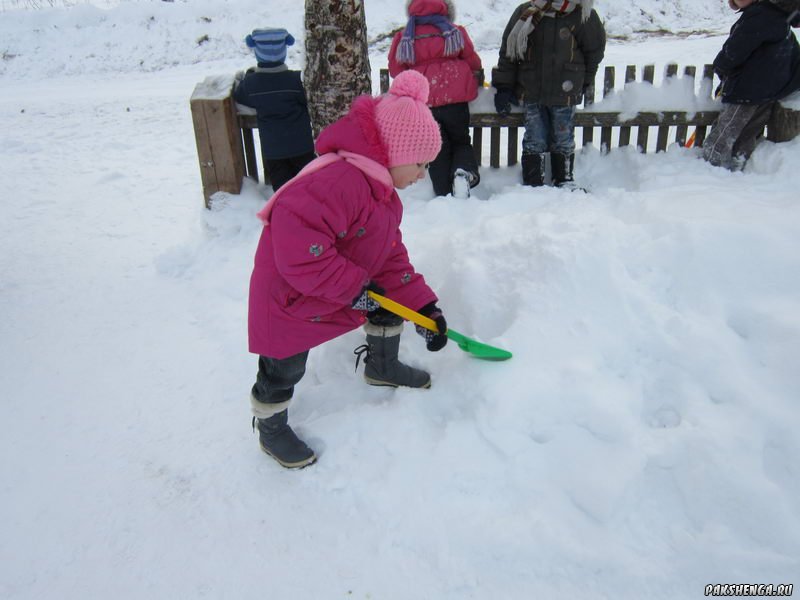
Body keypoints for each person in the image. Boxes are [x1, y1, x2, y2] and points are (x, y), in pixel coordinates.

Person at [247, 70, 449, 469]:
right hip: (289, 296)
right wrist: (358, 289)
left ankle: (382, 366)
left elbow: (389, 258)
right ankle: (270, 427)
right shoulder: (338, 181)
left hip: (336, 286)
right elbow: (300, 251)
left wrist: (425, 308)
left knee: (386, 299)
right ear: (395, 153)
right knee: (284, 365)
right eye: (421, 164)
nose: (423, 175)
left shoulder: (381, 193)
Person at [492, 0, 605, 189]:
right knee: (534, 138)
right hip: (531, 89)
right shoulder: (526, 12)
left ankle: (564, 179)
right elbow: (509, 52)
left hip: (565, 91)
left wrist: (583, 81)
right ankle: (533, 182)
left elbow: (594, 52)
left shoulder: (582, 14)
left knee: (563, 137)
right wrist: (504, 87)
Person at [388, 0, 482, 199]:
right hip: (456, 97)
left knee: (437, 146)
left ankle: (443, 193)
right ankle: (462, 173)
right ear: (446, 9)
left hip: (424, 100)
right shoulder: (455, 31)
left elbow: (396, 70)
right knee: (461, 140)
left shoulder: (405, 36)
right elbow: (473, 61)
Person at [703, 0, 800, 171]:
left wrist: (721, 66)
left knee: (726, 131)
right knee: (748, 131)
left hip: (748, 90)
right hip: (768, 91)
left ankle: (710, 166)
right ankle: (738, 163)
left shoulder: (759, 15)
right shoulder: (779, 15)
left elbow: (735, 50)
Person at [234, 28, 316, 192]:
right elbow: (307, 99)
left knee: (283, 191)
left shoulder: (251, 84)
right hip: (302, 147)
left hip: (274, 151)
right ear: (283, 52)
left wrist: (241, 78)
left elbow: (239, 96)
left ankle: (285, 214)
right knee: (309, 187)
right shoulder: (295, 80)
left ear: (257, 53)